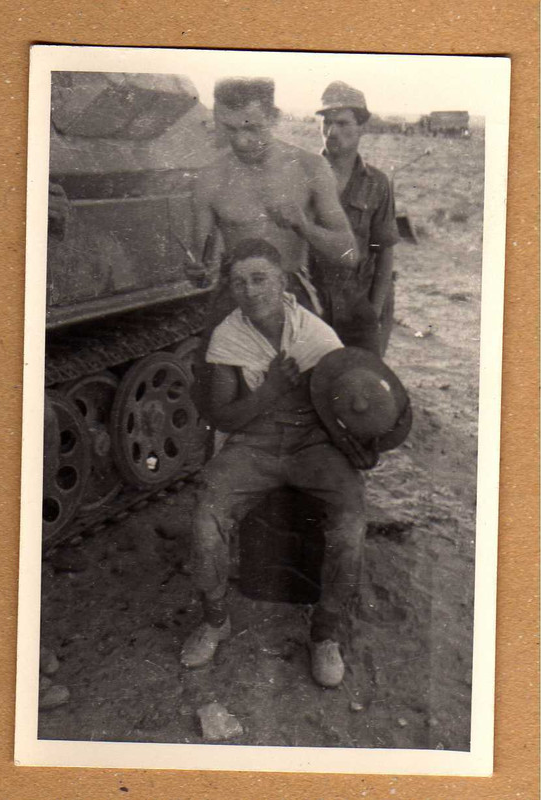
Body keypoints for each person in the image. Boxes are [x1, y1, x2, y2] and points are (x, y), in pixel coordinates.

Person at [180, 238, 369, 689]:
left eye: (260, 278)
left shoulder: (315, 335)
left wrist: (359, 437)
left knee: (350, 523)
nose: (250, 290)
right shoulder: (229, 335)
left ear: (282, 280)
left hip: (312, 445)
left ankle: (324, 634)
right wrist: (268, 394)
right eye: (239, 282)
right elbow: (222, 415)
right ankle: (215, 620)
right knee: (206, 515)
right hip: (254, 444)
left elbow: (346, 402)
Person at [193, 77, 358, 323]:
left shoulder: (309, 167)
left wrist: (303, 226)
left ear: (274, 117)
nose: (240, 141)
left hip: (292, 296)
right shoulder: (210, 178)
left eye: (251, 128)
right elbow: (200, 268)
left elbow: (349, 255)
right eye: (230, 129)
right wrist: (198, 272)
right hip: (235, 298)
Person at [314, 81, 400, 355]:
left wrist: (373, 309)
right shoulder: (304, 176)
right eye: (326, 122)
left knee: (362, 383)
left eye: (342, 123)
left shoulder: (377, 183)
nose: (331, 131)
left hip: (359, 306)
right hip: (312, 308)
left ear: (362, 127)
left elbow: (382, 248)